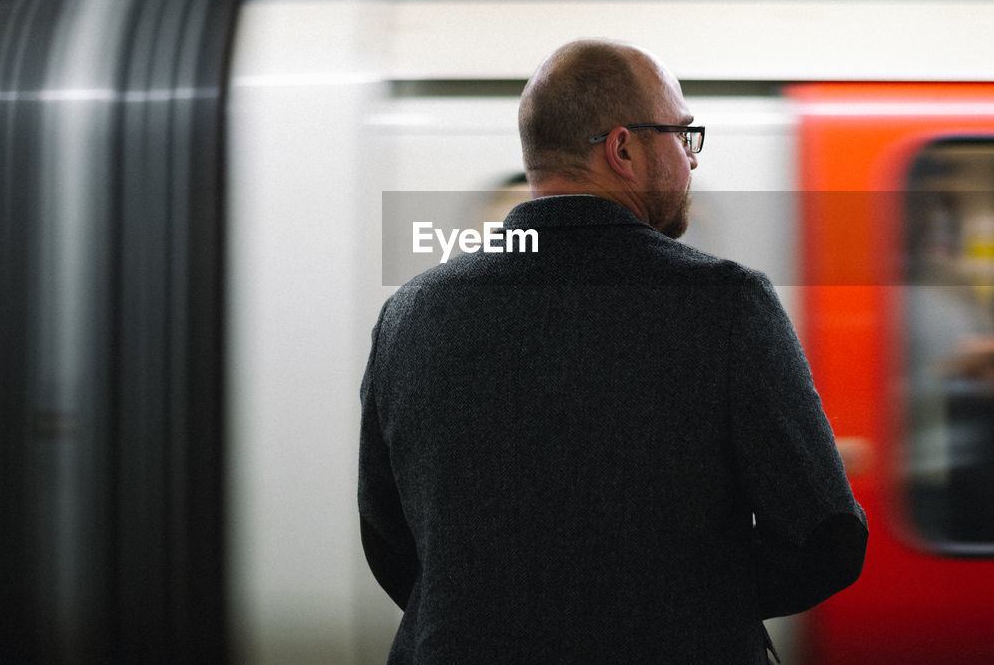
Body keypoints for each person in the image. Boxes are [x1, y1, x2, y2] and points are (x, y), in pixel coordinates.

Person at [358, 39, 867, 664]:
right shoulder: (726, 303)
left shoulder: (412, 314)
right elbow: (825, 535)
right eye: (683, 136)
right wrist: (692, 604)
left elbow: (389, 539)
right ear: (623, 148)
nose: (692, 160)